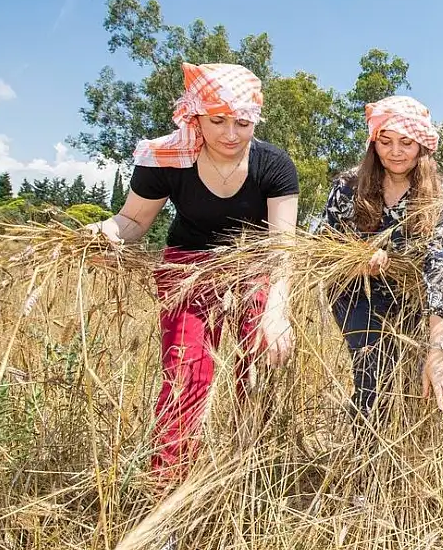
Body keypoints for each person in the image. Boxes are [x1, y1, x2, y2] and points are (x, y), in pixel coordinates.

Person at [88, 62, 299, 481]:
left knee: (258, 371)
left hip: (252, 266)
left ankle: (245, 477)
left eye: (242, 122)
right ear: (196, 115)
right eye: (217, 120)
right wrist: (101, 234)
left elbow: (281, 248)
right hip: (187, 269)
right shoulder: (166, 158)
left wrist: (277, 311)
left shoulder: (274, 165)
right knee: (187, 376)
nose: (230, 133)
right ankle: (168, 486)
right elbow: (131, 221)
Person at [320, 95, 443, 423]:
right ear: (374, 144)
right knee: (375, 374)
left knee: (413, 383)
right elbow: (322, 247)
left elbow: (442, 268)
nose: (395, 152)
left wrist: (439, 350)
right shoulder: (347, 189)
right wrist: (356, 258)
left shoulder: (439, 196)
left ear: (422, 145)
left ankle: (406, 459)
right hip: (356, 293)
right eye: (386, 142)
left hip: (414, 298)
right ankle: (365, 464)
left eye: (406, 143)